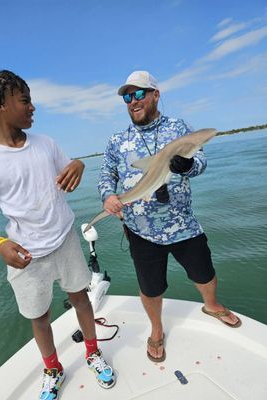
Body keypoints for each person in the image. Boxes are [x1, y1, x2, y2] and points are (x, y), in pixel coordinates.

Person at [0, 70, 116, 399]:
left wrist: (79, 163)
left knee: (81, 298)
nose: (32, 107)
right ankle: (53, 369)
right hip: (25, 255)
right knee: (40, 316)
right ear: (0, 103)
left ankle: (92, 353)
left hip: (65, 239)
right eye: (25, 100)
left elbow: (71, 166)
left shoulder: (46, 144)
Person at [98, 70, 241, 363]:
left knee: (205, 273)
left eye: (139, 94)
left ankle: (211, 305)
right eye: (127, 96)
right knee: (150, 287)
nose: (133, 101)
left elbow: (200, 162)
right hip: (141, 230)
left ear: (155, 95)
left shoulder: (179, 127)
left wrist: (186, 166)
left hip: (183, 225)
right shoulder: (117, 139)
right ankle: (156, 329)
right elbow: (106, 174)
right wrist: (108, 197)